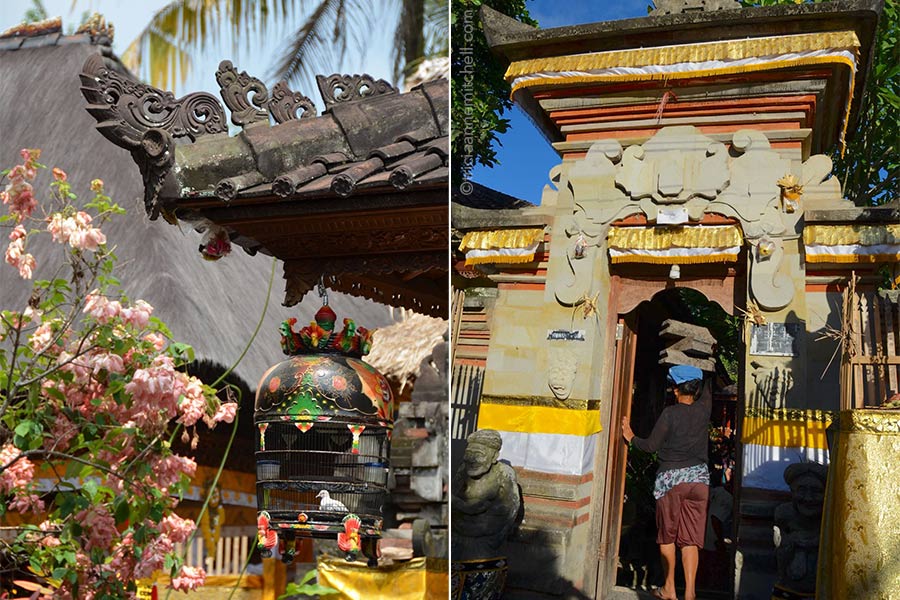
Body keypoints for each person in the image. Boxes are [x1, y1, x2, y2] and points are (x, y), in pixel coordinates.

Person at [621, 364, 711, 600]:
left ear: (675, 389)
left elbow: (650, 446)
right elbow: (707, 381)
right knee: (691, 539)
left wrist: (631, 438)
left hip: (671, 481)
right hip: (700, 481)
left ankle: (669, 588)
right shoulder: (704, 410)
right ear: (698, 389)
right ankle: (690, 593)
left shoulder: (670, 414)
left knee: (668, 536)